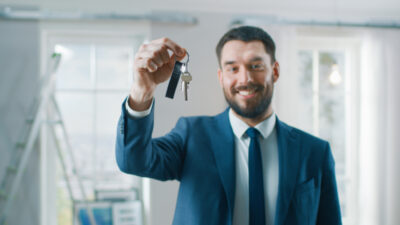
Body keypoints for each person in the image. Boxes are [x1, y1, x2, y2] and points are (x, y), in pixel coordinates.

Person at [115, 26, 342, 225]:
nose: (245, 79)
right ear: (221, 77)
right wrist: (142, 91)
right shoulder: (192, 136)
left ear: (275, 71)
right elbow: (132, 160)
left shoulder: (315, 153)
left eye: (255, 66)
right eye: (233, 68)